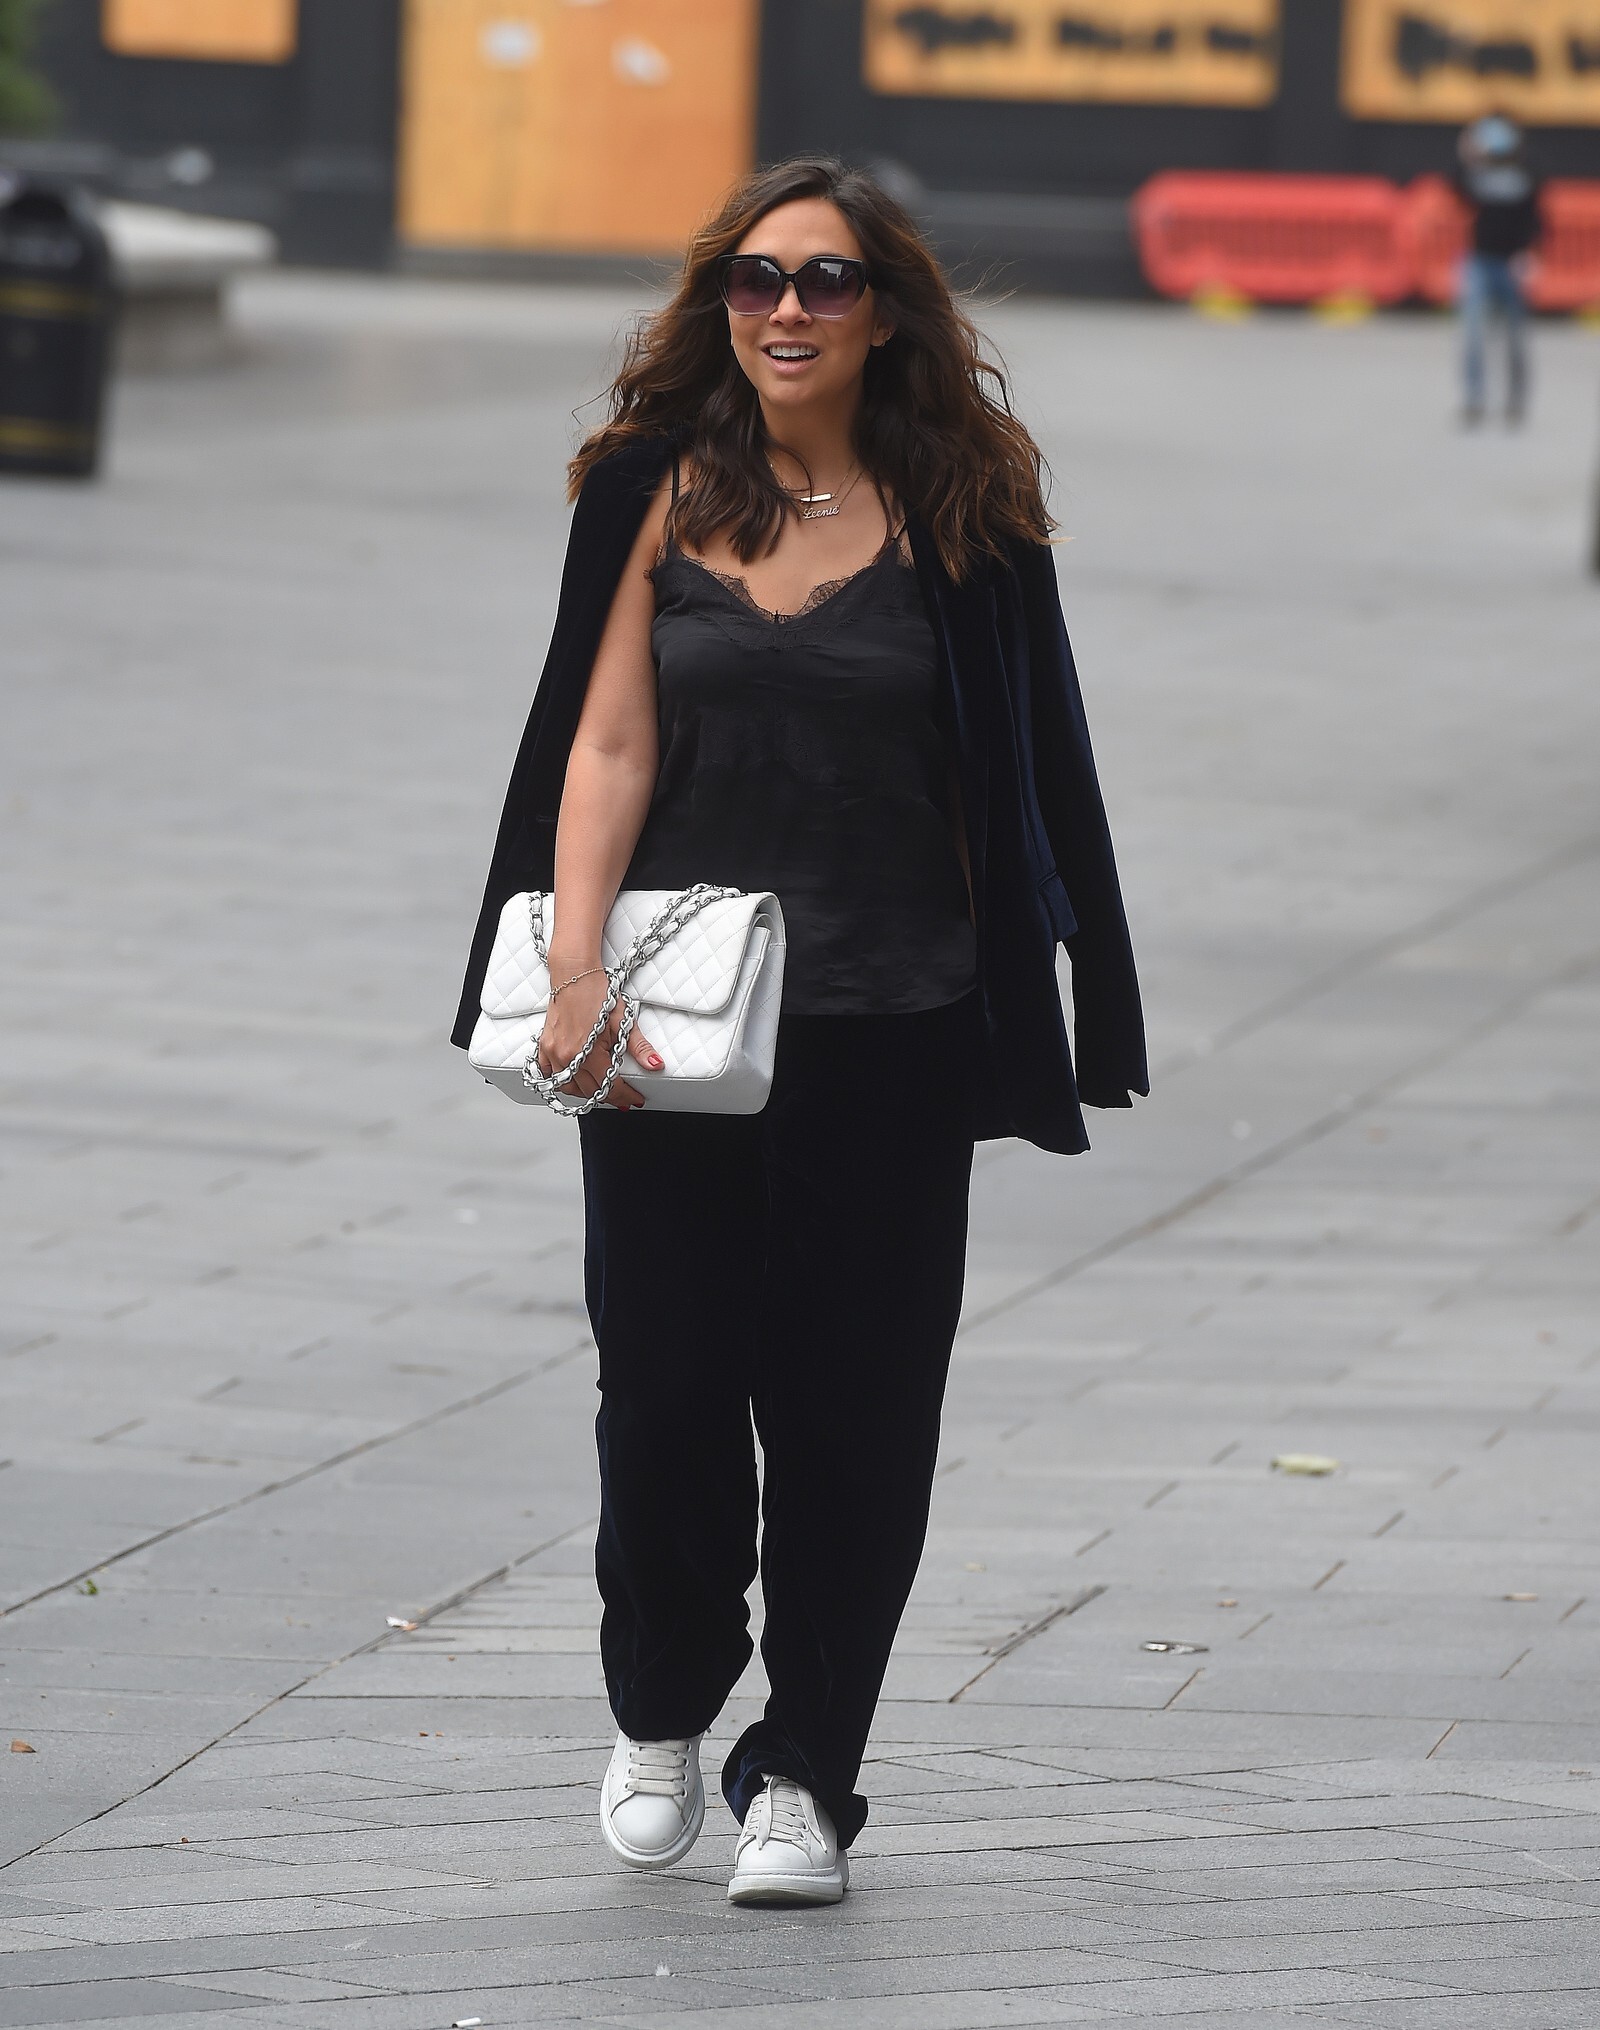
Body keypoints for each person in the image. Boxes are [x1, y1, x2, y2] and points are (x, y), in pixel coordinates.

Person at [450, 156, 1146, 1906]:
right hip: (674, 1041)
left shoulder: (967, 510)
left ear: (884, 313)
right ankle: (664, 1698)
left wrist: (1039, 986)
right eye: (756, 279)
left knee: (859, 1412)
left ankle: (809, 1775)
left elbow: (1020, 765)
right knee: (663, 1389)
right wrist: (575, 965)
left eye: (826, 281)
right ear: (721, 302)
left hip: (894, 1024)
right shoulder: (650, 488)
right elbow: (605, 742)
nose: (786, 309)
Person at [1454, 113, 1544, 426]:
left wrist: (1529, 254)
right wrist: (1468, 154)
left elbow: (1536, 221)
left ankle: (1516, 401)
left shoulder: (1526, 176)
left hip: (1512, 264)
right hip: (1480, 262)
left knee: (1515, 338)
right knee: (1473, 334)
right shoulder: (1479, 174)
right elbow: (1458, 191)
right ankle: (1474, 399)